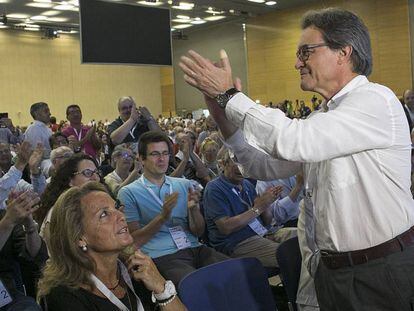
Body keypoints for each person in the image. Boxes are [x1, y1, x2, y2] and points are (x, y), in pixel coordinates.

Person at [179, 7, 414, 311]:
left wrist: (229, 94)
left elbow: (292, 140)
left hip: (380, 270)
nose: (296, 63)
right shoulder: (324, 119)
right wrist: (223, 116)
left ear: (343, 52)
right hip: (334, 272)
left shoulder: (374, 101)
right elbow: (262, 164)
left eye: (306, 52)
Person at [37, 182, 186, 311]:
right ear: (79, 238)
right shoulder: (62, 296)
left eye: (116, 207)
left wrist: (161, 288)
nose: (121, 216)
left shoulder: (140, 270)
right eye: (104, 214)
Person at [118, 131, 228, 286]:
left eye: (165, 153)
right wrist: (162, 217)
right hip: (162, 255)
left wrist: (194, 209)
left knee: (234, 271)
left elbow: (198, 231)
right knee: (197, 284)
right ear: (142, 159)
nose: (162, 159)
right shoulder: (129, 192)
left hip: (194, 247)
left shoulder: (183, 184)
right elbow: (135, 240)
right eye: (155, 154)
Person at [203, 151, 282, 268]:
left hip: (262, 234)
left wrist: (266, 203)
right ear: (223, 164)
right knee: (289, 254)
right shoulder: (214, 188)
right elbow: (225, 227)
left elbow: (267, 221)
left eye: (244, 162)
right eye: (235, 162)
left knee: (300, 239)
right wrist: (258, 208)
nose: (240, 167)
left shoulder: (247, 184)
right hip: (236, 243)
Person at [36, 153, 102, 246]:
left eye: (97, 173)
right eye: (87, 173)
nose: (95, 178)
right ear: (70, 180)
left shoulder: (96, 205)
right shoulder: (59, 212)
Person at [0, 190, 47, 311]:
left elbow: (35, 255)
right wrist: (8, 221)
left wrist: (29, 225)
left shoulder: (3, 216)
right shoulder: (6, 219)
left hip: (9, 298)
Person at [0, 142, 46, 209]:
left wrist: (35, 170)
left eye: (6, 151)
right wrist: (21, 163)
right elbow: (2, 188)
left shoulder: (18, 182)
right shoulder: (16, 173)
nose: (3, 154)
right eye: (0, 152)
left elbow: (38, 194)